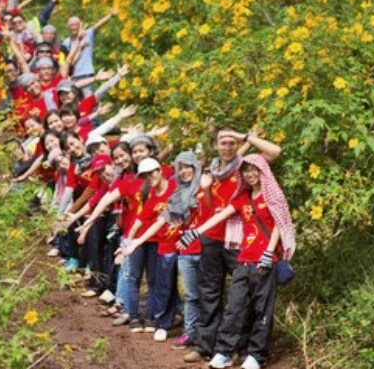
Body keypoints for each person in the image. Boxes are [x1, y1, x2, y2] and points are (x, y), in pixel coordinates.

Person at [177, 155, 295, 369]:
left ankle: (256, 355)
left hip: (264, 261)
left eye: (254, 170)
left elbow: (279, 223)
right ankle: (223, 351)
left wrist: (269, 253)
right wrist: (196, 232)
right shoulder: (243, 197)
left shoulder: (272, 197)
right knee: (235, 306)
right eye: (246, 171)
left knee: (262, 309)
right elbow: (221, 216)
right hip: (244, 258)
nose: (250, 175)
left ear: (262, 172)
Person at [122, 151, 204, 344]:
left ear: (161, 171)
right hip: (167, 244)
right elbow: (150, 221)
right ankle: (163, 323)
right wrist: (132, 241)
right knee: (165, 284)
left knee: (196, 288)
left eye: (152, 173)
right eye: (146, 175)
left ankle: (196, 327)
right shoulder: (154, 196)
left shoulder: (180, 186)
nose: (150, 178)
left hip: (192, 243)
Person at [61, 8, 117, 93]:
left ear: (80, 25)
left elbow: (98, 25)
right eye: (71, 25)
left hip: (87, 75)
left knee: (90, 101)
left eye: (76, 24)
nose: (74, 27)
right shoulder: (66, 42)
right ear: (68, 27)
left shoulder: (88, 34)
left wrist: (110, 15)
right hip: (73, 78)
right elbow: (64, 62)